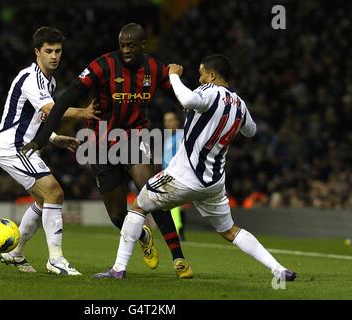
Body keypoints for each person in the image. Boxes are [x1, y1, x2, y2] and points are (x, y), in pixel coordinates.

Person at [92, 54, 297, 281]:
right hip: (213, 183)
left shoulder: (208, 92)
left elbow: (188, 101)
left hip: (183, 176)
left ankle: (118, 269)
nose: (199, 79)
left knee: (138, 207)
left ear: (212, 75)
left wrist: (173, 76)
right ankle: (278, 269)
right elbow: (251, 130)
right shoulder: (240, 104)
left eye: (201, 74)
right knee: (230, 231)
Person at [22, 23, 193, 278]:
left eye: (131, 46)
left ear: (142, 45)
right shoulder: (102, 66)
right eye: (122, 45)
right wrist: (42, 139)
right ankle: (143, 234)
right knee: (116, 215)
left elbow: (182, 99)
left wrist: (181, 84)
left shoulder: (154, 68)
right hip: (102, 144)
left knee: (151, 192)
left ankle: (179, 259)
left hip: (135, 138)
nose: (125, 50)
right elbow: (65, 99)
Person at [0, 26, 100, 275]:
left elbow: (38, 118)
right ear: (36, 52)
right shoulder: (31, 78)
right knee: (54, 192)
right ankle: (56, 260)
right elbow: (51, 110)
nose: (54, 56)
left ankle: (15, 254)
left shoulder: (48, 81)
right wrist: (83, 112)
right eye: (48, 51)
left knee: (44, 199)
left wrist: (52, 137)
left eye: (58, 51)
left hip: (25, 147)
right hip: (12, 147)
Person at [162, 111, 186, 241]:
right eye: (166, 120)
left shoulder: (182, 136)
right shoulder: (168, 139)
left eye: (171, 120)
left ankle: (177, 231)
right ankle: (177, 231)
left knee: (173, 205)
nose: (168, 123)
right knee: (171, 205)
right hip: (167, 175)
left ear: (177, 121)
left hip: (179, 175)